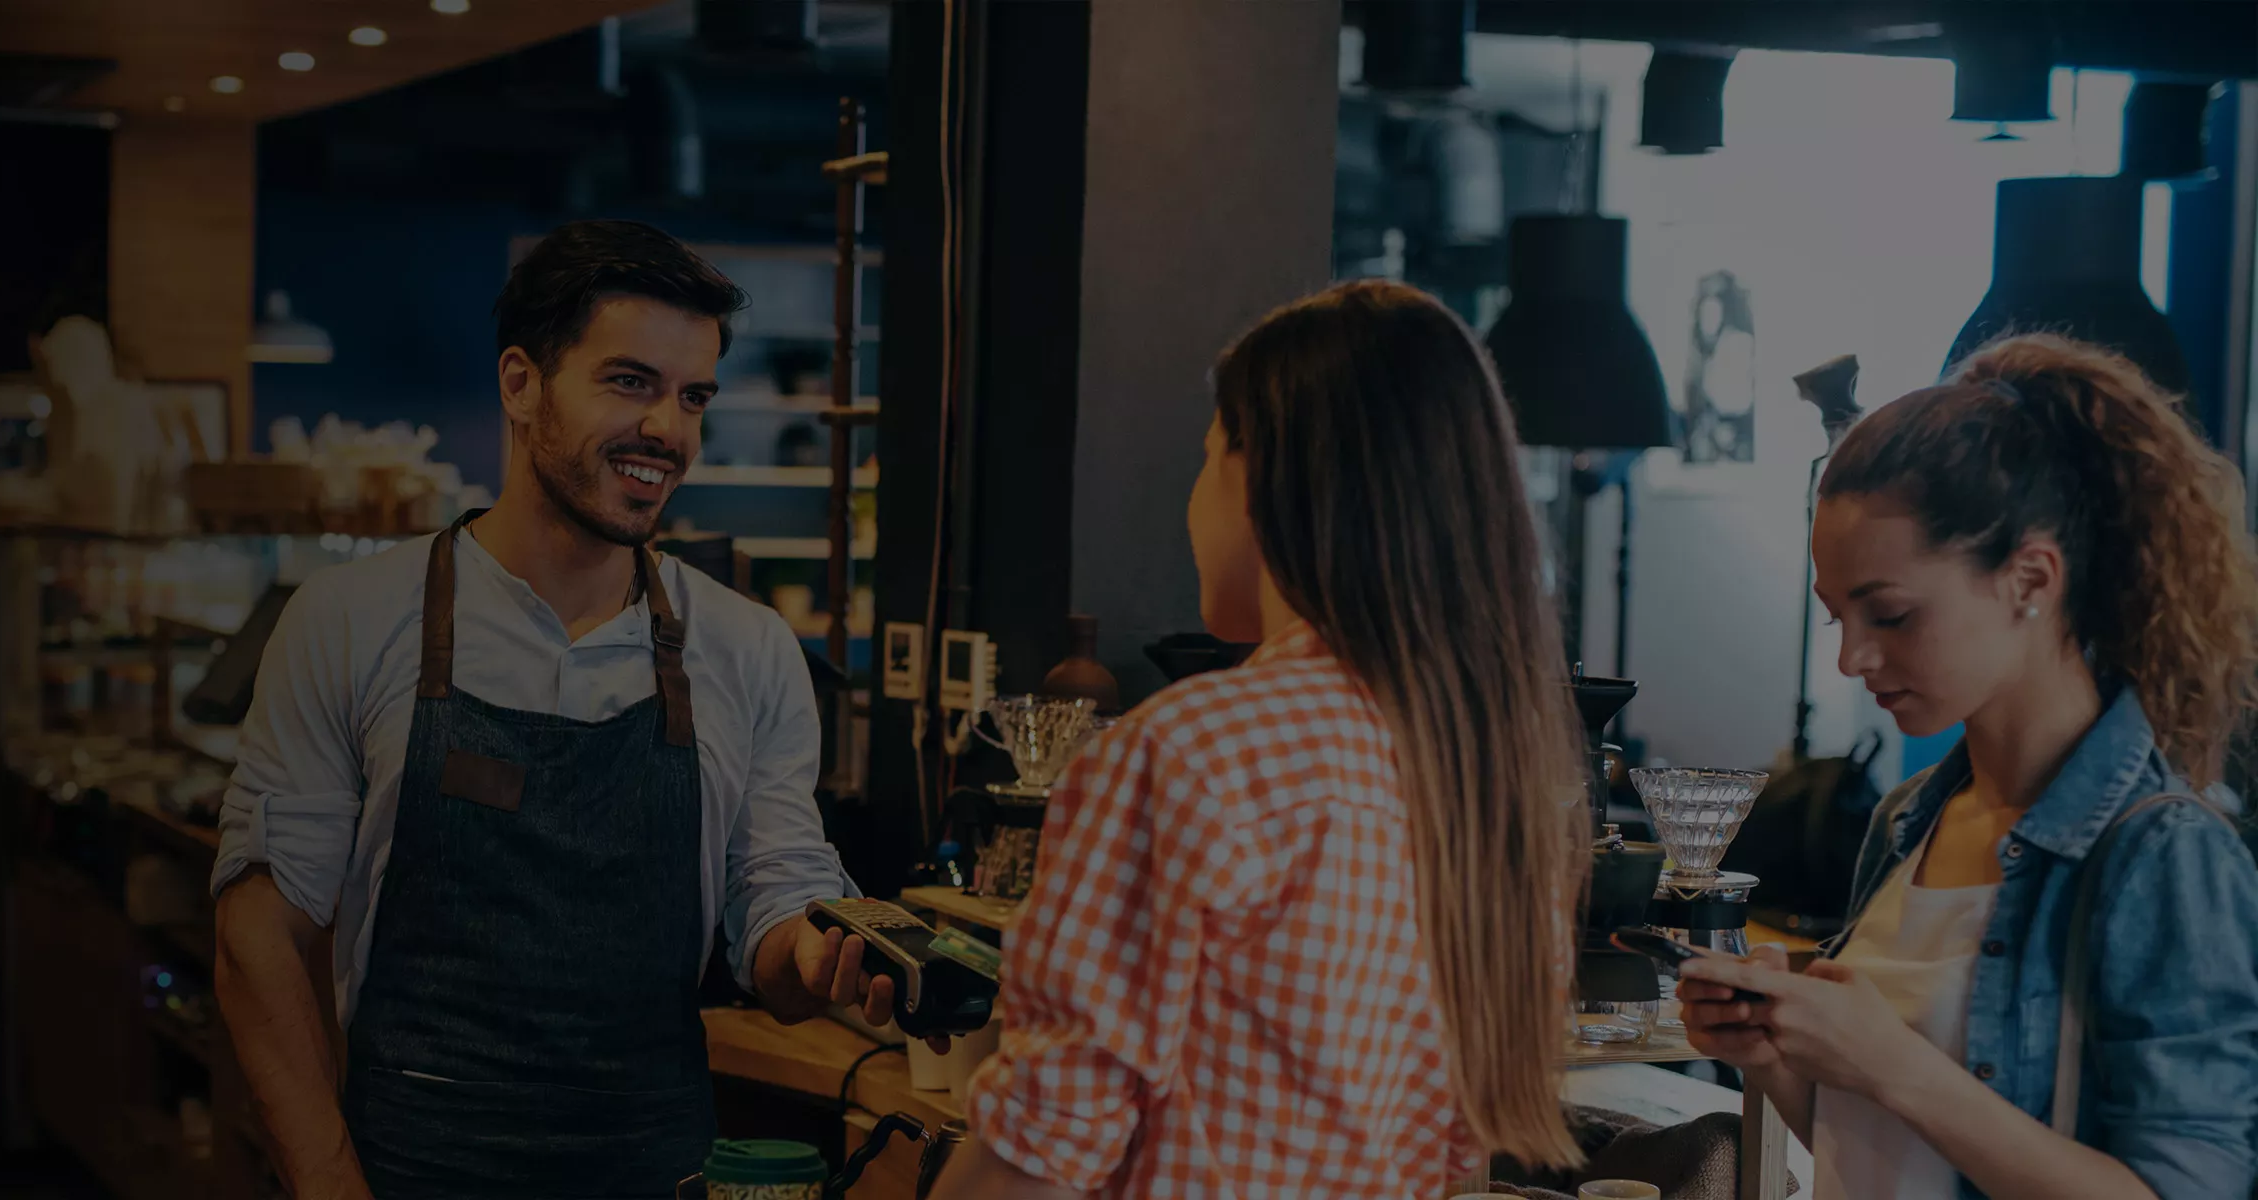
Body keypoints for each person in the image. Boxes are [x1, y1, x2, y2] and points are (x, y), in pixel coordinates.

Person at [211, 219, 942, 1200]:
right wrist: (331, 1185)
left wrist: (819, 954)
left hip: (658, 1168)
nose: (668, 432)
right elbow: (258, 939)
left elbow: (772, 896)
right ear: (521, 384)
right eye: (629, 382)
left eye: (692, 398)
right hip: (409, 1169)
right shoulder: (350, 621)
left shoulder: (748, 647)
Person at [931, 280, 1588, 1198]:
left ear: (1263, 472)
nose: (1193, 499)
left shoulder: (1194, 753)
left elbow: (1036, 1156)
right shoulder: (1491, 785)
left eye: (1207, 457)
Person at [1680, 333, 2258, 1200]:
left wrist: (1890, 1064)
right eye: (1839, 619)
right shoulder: (1908, 819)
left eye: (1893, 616)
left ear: (2030, 578)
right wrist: (1772, 1058)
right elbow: (1882, 1152)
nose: (1853, 661)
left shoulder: (2162, 853)